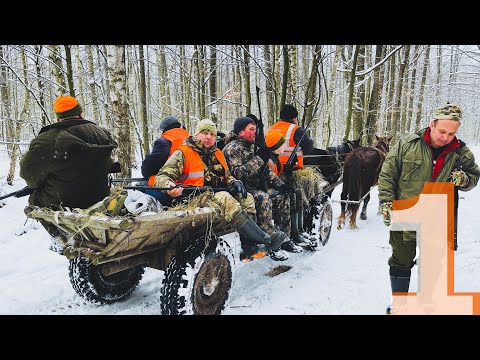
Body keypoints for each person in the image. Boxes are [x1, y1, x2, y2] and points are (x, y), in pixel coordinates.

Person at [378, 103, 480, 314]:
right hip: (406, 213)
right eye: (442, 131)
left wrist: (464, 180)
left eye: (452, 133)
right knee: (400, 260)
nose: (446, 137)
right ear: (431, 124)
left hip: (438, 218)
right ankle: (400, 305)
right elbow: (388, 175)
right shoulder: (407, 144)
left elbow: (475, 177)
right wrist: (386, 202)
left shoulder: (461, 152)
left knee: (433, 264)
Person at [150, 118, 287, 262]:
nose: (209, 137)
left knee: (247, 197)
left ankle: (250, 245)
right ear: (197, 134)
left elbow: (228, 177)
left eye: (212, 134)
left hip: (212, 197)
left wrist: (236, 183)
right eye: (205, 133)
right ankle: (263, 238)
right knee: (224, 197)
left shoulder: (218, 154)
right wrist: (169, 188)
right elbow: (162, 176)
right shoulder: (183, 152)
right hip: (191, 197)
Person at [222, 116, 302, 262]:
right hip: (242, 190)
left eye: (255, 129)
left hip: (256, 187)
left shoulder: (253, 147)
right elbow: (238, 174)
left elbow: (266, 172)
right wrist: (259, 158)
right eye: (251, 129)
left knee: (282, 195)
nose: (255, 132)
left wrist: (281, 185)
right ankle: (269, 242)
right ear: (241, 132)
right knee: (263, 198)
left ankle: (283, 238)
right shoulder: (232, 149)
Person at [20, 95, 118, 210]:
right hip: (100, 197)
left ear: (58, 118)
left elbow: (28, 173)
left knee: (34, 197)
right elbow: (108, 165)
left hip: (62, 204)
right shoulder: (100, 133)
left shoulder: (46, 141)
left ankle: (57, 226)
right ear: (80, 114)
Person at [267, 104, 325, 246]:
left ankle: (297, 231)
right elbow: (309, 148)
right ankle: (295, 232)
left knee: (296, 194)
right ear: (294, 118)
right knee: (299, 195)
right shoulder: (296, 129)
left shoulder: (271, 128)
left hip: (272, 168)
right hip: (291, 171)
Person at [265, 130, 314, 247]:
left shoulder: (276, 158)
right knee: (290, 194)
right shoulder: (269, 160)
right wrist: (283, 181)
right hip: (268, 188)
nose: (286, 146)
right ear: (276, 146)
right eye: (283, 144)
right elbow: (270, 178)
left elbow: (279, 172)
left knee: (297, 192)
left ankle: (299, 229)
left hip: (274, 185)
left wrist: (288, 169)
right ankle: (293, 233)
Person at [140, 116, 189, 203]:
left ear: (164, 129)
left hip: (172, 187)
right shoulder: (190, 139)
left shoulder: (164, 141)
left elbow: (147, 169)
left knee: (141, 187)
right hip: (191, 185)